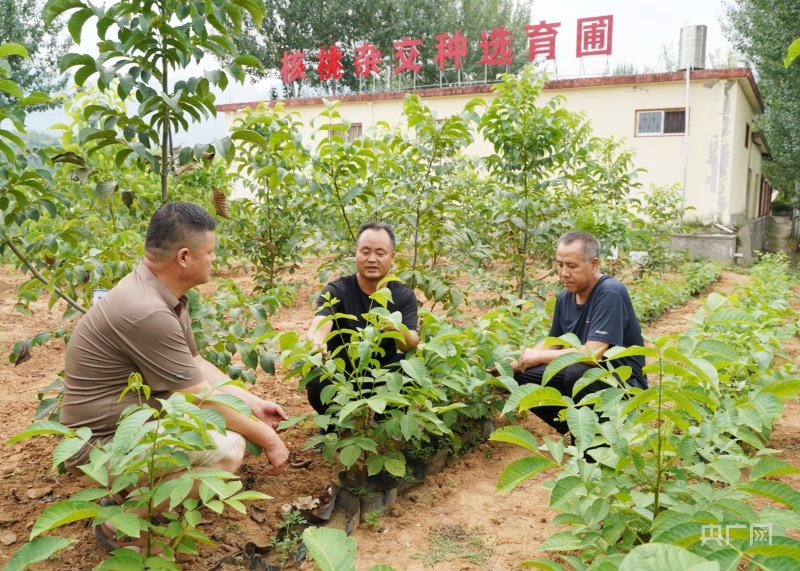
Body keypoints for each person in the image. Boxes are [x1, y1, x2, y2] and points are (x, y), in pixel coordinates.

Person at [61, 202, 289, 549]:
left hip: (123, 429)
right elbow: (199, 396)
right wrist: (269, 439)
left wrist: (253, 403)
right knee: (228, 449)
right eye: (210, 252)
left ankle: (128, 496)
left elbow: (195, 363)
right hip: (96, 447)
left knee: (226, 428)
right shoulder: (147, 310)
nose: (215, 259)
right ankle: (118, 526)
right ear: (184, 257)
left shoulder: (161, 293)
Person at [506, 230, 647, 436]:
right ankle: (574, 426)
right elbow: (554, 342)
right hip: (590, 376)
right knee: (520, 377)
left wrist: (537, 356)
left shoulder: (610, 292)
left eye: (572, 266)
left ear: (594, 264)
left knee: (578, 372)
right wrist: (517, 363)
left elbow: (593, 355)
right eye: (560, 265)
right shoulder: (565, 297)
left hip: (623, 384)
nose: (563, 273)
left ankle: (597, 439)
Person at [305, 222, 419, 414]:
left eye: (380, 253)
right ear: (356, 253)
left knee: (410, 371)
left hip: (383, 374)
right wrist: (316, 343)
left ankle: (384, 420)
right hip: (344, 374)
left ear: (392, 257)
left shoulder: (403, 295)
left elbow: (412, 342)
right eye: (365, 251)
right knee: (317, 379)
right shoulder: (337, 290)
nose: (372, 259)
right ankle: (333, 426)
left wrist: (397, 330)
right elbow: (319, 325)